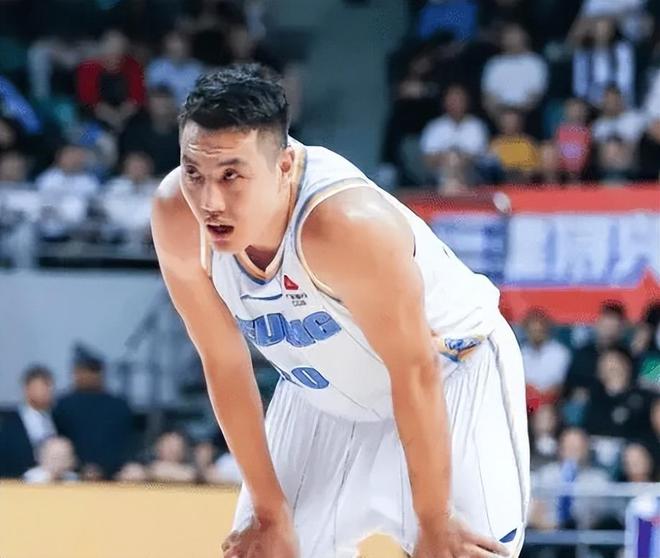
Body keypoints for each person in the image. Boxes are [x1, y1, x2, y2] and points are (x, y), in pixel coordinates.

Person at [151, 64, 530, 558]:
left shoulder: (344, 224)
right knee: (265, 548)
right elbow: (223, 364)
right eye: (194, 173)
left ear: (284, 165)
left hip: (449, 374)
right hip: (323, 395)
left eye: (231, 176)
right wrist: (269, 510)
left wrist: (434, 519)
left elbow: (414, 370)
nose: (209, 201)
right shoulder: (176, 217)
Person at [53, 345, 133, 479]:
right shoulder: (63, 405)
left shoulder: (118, 406)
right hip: (71, 474)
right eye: (81, 371)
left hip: (115, 474)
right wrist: (81, 468)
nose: (87, 376)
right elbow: (59, 441)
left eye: (92, 371)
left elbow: (124, 443)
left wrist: (105, 468)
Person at [0, 365, 57, 478]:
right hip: (14, 480)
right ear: (27, 388)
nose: (48, 392)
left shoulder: (56, 420)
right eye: (43, 386)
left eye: (50, 387)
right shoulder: (8, 420)